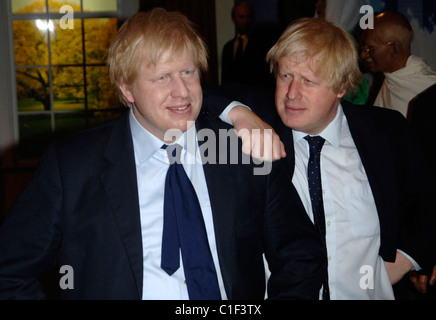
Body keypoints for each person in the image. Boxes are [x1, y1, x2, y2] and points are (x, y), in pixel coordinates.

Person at [0, 8, 326, 300]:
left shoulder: (243, 149)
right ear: (126, 88)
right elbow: (9, 270)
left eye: (188, 72)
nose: (181, 92)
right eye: (162, 77)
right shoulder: (72, 166)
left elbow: (300, 254)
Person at [219, 17, 436, 299]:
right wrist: (238, 113)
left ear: (341, 87)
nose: (292, 94)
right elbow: (202, 96)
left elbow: (430, 202)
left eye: (308, 81)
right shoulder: (260, 122)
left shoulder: (385, 133)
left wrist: (406, 259)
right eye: (286, 76)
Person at [360, 11, 436, 118]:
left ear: (394, 49)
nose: (363, 55)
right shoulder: (390, 81)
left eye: (370, 48)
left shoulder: (428, 88)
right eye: (363, 48)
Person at [221, 2, 273, 88]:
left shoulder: (261, 45)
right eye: (241, 17)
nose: (245, 21)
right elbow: (225, 78)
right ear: (234, 19)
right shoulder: (228, 47)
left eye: (248, 17)